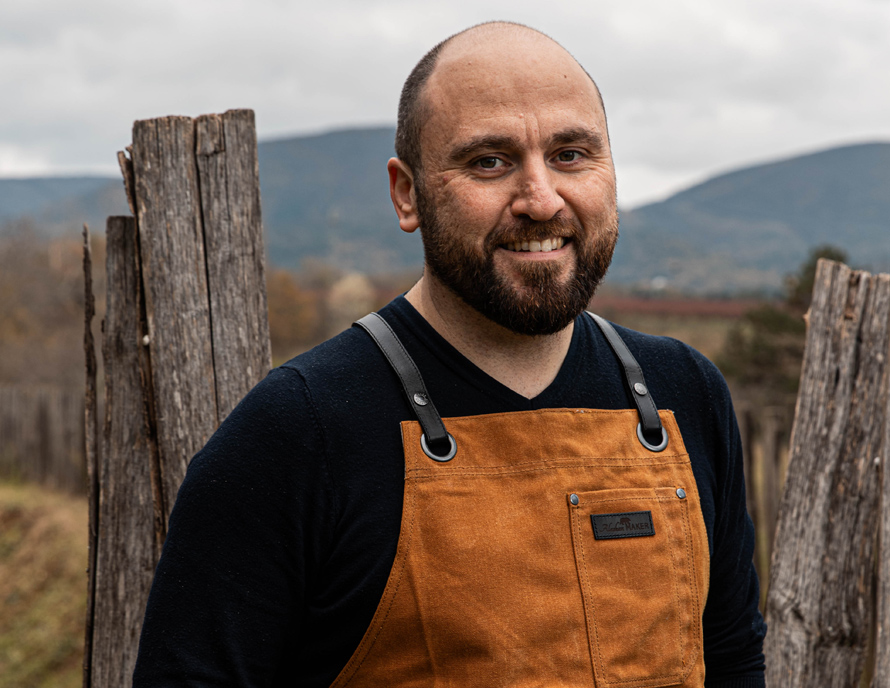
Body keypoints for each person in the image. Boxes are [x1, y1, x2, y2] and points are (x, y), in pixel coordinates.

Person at [134, 21, 766, 687]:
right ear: (406, 193)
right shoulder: (299, 432)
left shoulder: (682, 392)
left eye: (571, 155)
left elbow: (730, 658)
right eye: (488, 162)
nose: (541, 199)